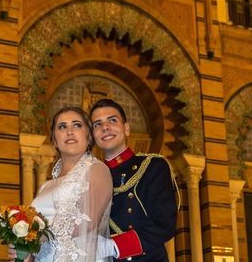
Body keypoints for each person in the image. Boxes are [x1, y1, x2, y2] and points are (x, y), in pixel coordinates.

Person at [11, 106, 114, 262]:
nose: (69, 131)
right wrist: (23, 249)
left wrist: (35, 237)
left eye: (77, 125)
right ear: (55, 140)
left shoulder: (97, 169)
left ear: (88, 136)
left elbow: (87, 219)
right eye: (62, 126)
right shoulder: (45, 187)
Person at [89, 99, 177, 262]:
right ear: (93, 136)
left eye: (112, 120)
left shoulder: (152, 166)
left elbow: (164, 224)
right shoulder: (90, 180)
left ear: (127, 128)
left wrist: (114, 246)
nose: (105, 127)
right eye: (97, 124)